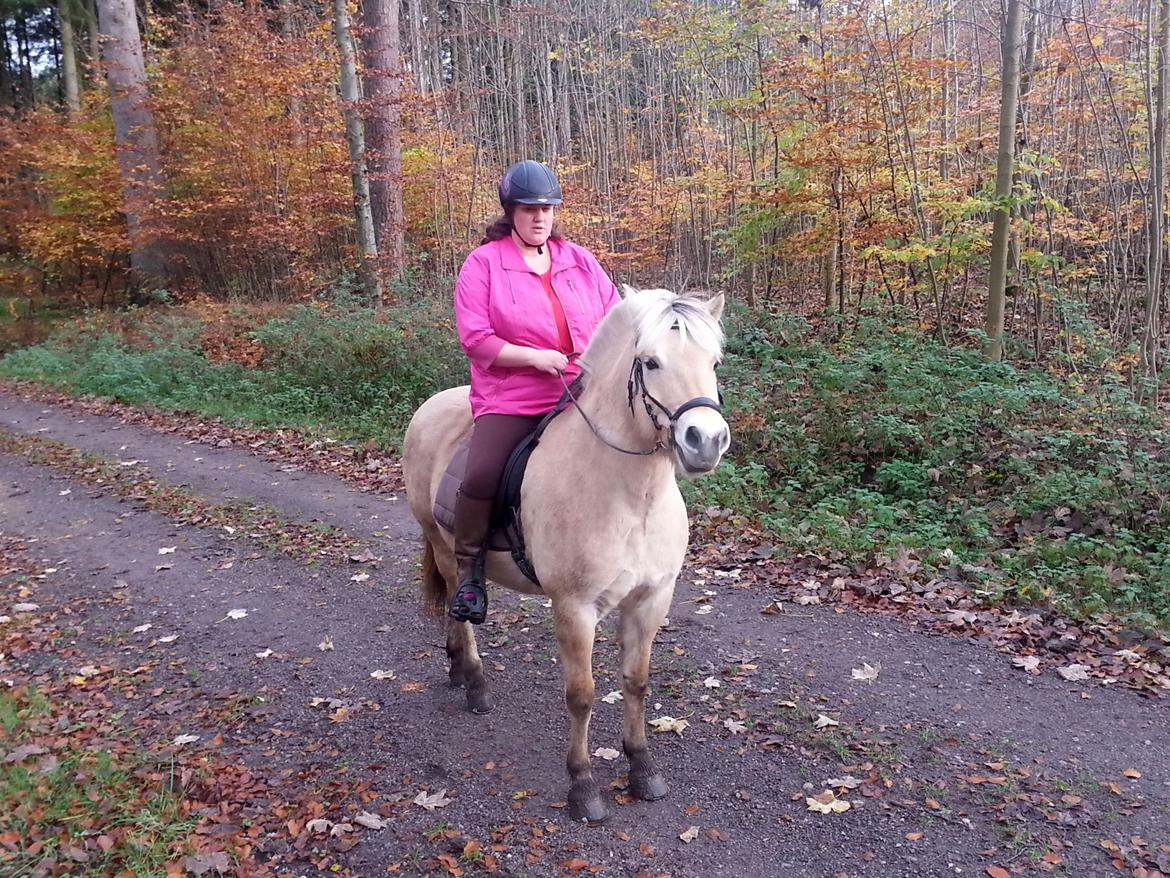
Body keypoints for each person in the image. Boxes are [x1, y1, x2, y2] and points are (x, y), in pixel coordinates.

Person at [449, 160, 621, 624]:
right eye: (528, 209)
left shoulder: (580, 261)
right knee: (483, 472)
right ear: (510, 212)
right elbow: (476, 337)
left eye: (547, 208)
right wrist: (534, 357)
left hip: (581, 390)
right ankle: (469, 573)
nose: (539, 217)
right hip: (514, 395)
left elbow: (615, 319)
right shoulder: (483, 264)